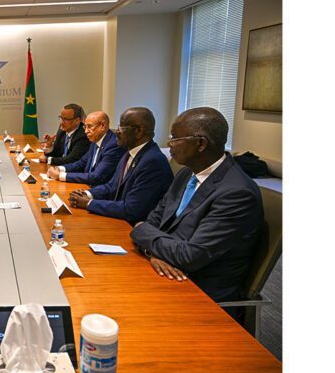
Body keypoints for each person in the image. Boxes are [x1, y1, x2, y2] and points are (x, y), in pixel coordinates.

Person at [130, 107, 262, 308]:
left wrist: (144, 235)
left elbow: (189, 256)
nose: (169, 143)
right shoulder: (186, 174)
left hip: (199, 292)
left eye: (175, 138)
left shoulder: (237, 193)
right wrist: (152, 252)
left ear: (200, 143)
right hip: (167, 269)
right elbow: (154, 220)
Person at [68, 107, 173, 225]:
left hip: (133, 226)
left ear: (139, 131)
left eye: (122, 127)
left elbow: (131, 209)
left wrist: (88, 203)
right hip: (118, 218)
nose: (117, 131)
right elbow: (111, 186)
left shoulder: (153, 161)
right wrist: (87, 194)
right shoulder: (129, 153)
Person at [46, 111, 125, 186]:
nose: (86, 131)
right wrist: (59, 168)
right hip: (86, 186)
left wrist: (61, 175)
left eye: (90, 126)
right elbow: (81, 163)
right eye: (85, 127)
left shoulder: (113, 145)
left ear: (103, 126)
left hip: (100, 191)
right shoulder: (95, 140)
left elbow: (96, 176)